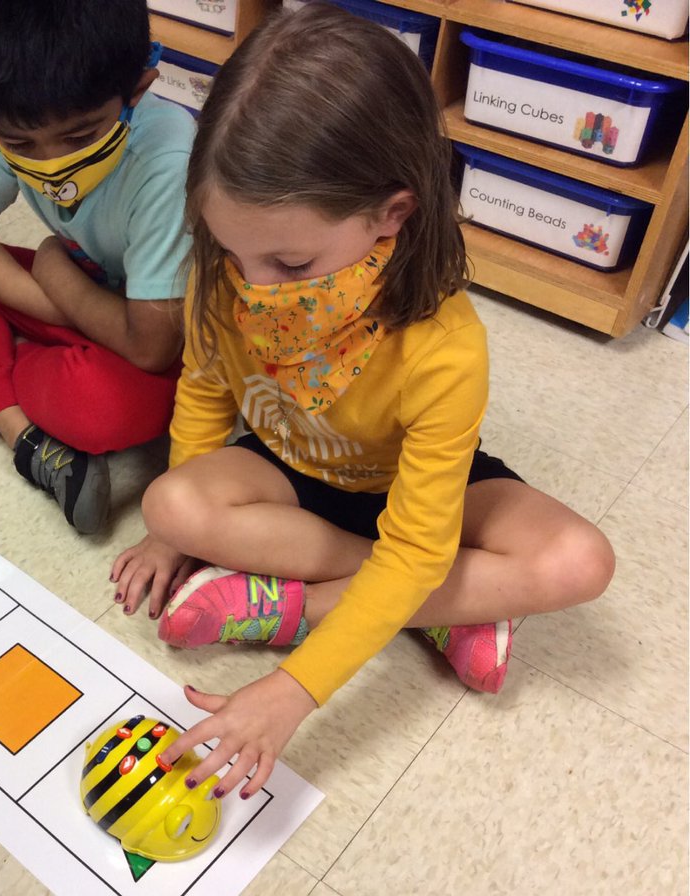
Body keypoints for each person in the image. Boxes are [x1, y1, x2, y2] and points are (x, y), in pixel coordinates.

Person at [110, 4, 615, 800]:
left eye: (289, 260)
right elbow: (204, 393)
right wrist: (171, 540)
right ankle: (452, 606)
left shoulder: (445, 346)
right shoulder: (226, 267)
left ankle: (294, 607)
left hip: (410, 495)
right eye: (235, 254)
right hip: (289, 469)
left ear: (393, 212)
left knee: (582, 561)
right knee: (172, 505)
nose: (254, 285)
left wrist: (293, 688)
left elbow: (417, 543)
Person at [0, 0, 193, 534]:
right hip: (92, 304)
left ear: (138, 90)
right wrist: (61, 294)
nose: (51, 160)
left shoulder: (166, 162)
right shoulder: (20, 112)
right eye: (18, 143)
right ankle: (26, 440)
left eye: (80, 137)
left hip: (163, 335)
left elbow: (153, 347)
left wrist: (56, 274)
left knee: (103, 408)